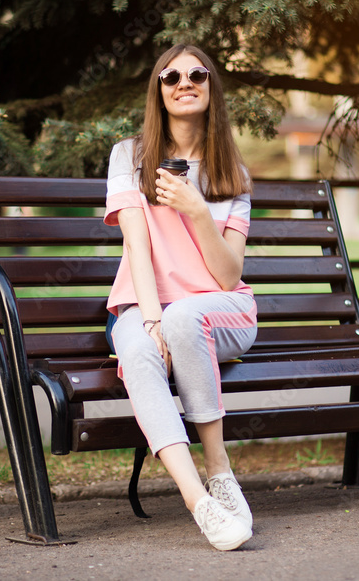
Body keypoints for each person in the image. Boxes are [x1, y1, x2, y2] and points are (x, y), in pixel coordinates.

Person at [103, 44, 257, 550]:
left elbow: (228, 274)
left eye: (197, 74)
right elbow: (137, 246)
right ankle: (201, 503)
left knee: (187, 315)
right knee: (142, 351)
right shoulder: (129, 156)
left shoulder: (231, 171)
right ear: (159, 89)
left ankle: (220, 468)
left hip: (221, 311)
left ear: (212, 87)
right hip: (145, 305)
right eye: (171, 76)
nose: (184, 82)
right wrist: (150, 320)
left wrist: (196, 210)